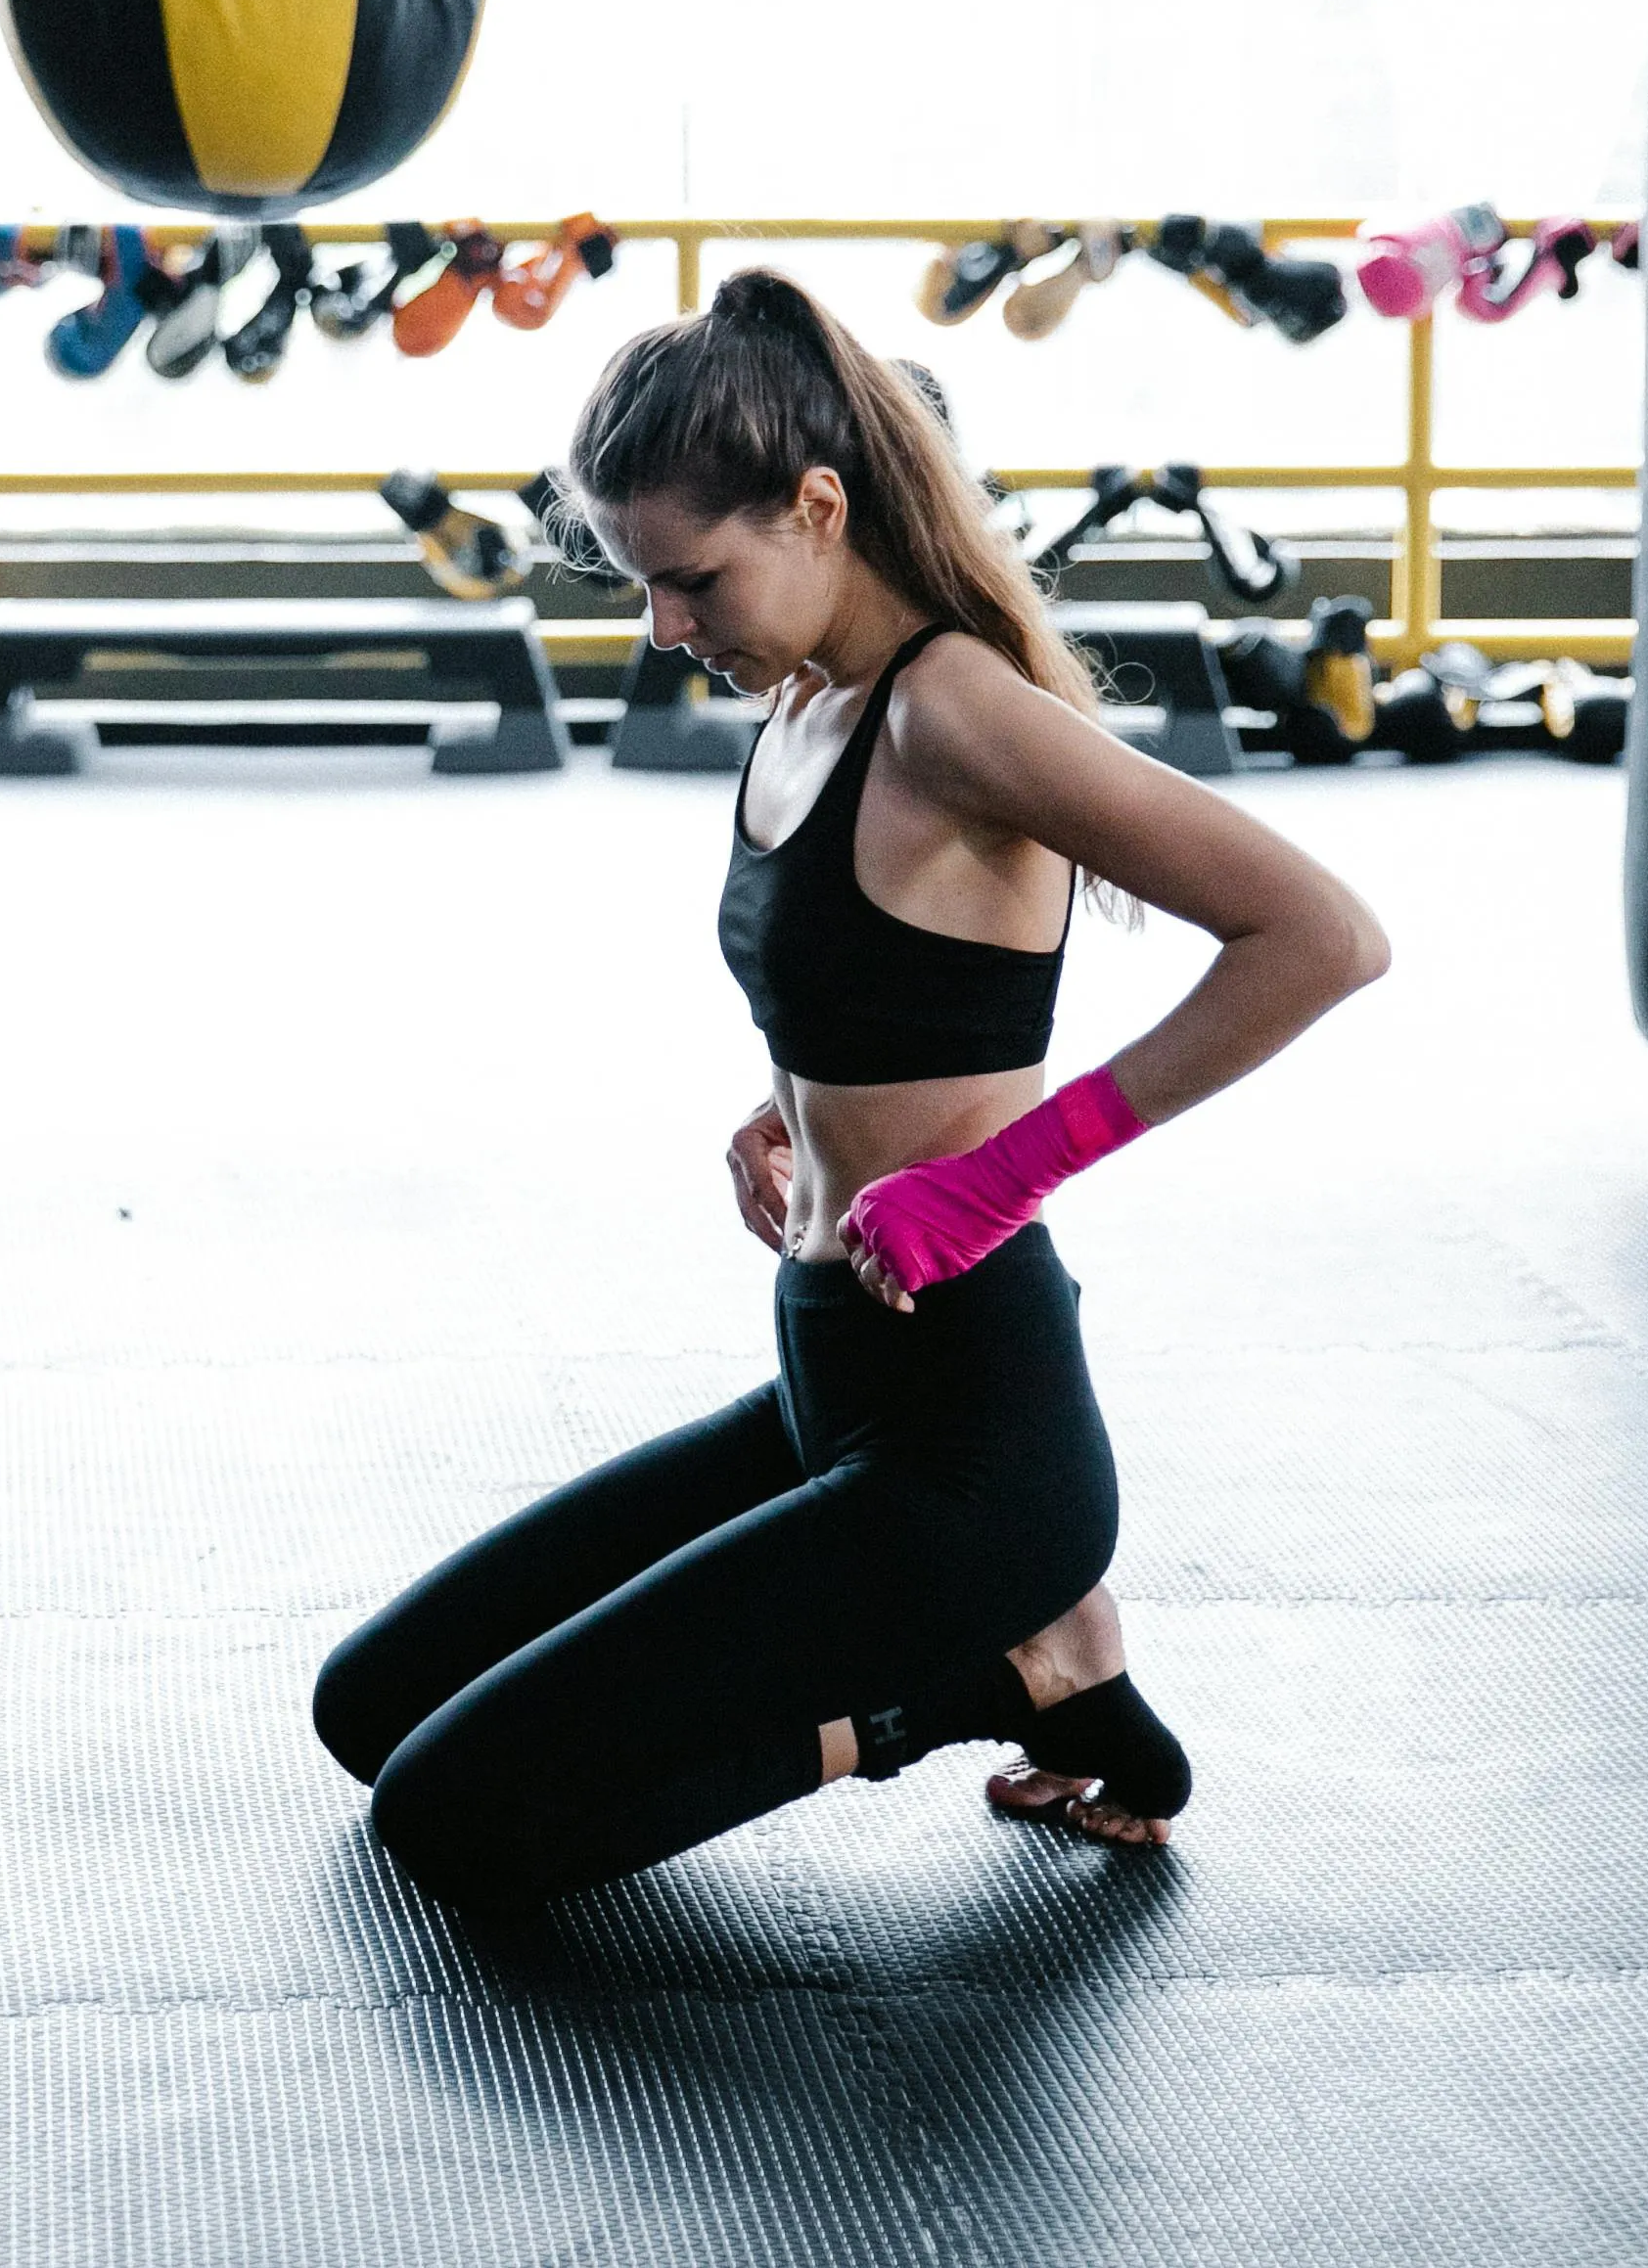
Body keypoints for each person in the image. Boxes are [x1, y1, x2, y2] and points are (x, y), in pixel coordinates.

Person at [311, 267, 1390, 1909]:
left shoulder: (953, 708)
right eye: (643, 587)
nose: (664, 628)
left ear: (818, 507)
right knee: (368, 1709)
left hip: (970, 1440)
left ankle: (980, 1679)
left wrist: (998, 1174)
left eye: (690, 580)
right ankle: (1029, 1657)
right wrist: (784, 1101)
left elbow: (1318, 934)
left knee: (448, 1822)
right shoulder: (801, 699)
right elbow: (870, 973)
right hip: (827, 1386)